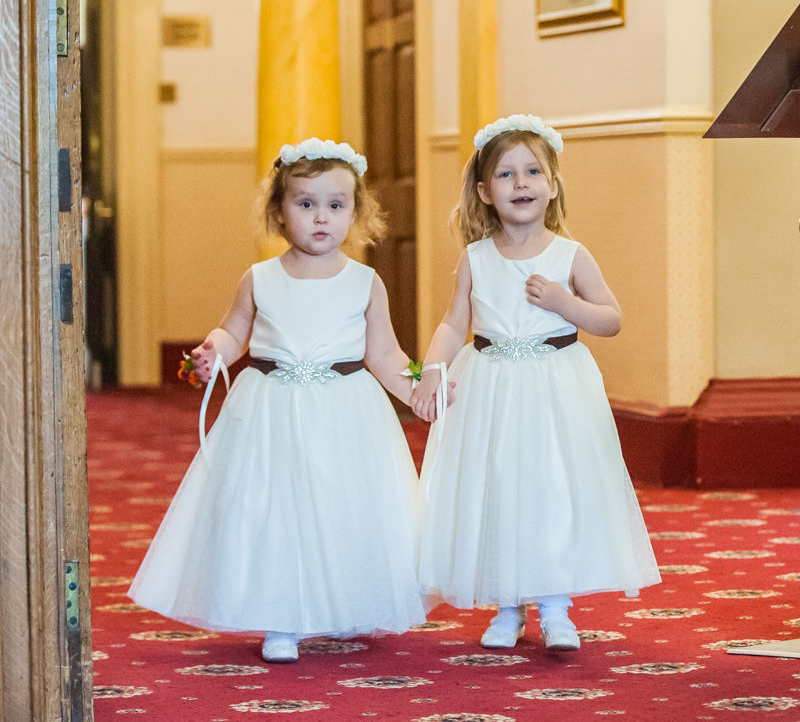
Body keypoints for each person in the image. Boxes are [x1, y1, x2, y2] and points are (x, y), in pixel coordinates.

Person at [128, 137, 427, 663]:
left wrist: (418, 387)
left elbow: (384, 353)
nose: (320, 218)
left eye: (335, 206)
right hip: (270, 409)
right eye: (305, 203)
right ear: (279, 212)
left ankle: (341, 602)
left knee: (342, 507)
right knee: (274, 510)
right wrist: (212, 352)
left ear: (354, 213)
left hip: (344, 412)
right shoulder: (259, 278)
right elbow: (233, 332)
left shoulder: (365, 282)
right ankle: (281, 616)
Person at [410, 114, 660, 651]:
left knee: (549, 490)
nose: (520, 183)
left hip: (554, 390)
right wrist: (433, 367)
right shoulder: (476, 257)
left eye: (532, 172)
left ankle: (555, 606)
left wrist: (567, 304)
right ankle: (507, 605)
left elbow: (610, 318)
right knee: (499, 488)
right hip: (493, 388)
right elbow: (456, 323)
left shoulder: (569, 254)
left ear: (552, 185)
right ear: (484, 191)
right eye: (505, 175)